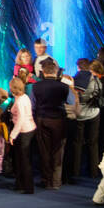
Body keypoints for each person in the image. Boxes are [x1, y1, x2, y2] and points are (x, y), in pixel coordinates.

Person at [31, 62, 71, 190]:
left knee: (44, 150)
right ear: (56, 72)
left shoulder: (35, 86)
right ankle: (56, 182)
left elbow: (32, 105)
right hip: (59, 120)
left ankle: (46, 181)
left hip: (42, 119)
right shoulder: (65, 87)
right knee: (58, 151)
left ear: (43, 71)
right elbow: (71, 101)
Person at [70, 60, 104, 183]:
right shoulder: (96, 80)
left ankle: (75, 170)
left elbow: (74, 97)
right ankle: (94, 171)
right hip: (94, 113)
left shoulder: (75, 80)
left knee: (77, 143)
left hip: (79, 114)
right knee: (93, 143)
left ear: (79, 68)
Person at [7, 77, 35, 194]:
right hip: (26, 130)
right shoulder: (23, 97)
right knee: (20, 159)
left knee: (24, 160)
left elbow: (21, 119)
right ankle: (20, 184)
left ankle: (28, 187)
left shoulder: (20, 101)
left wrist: (13, 135)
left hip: (24, 131)